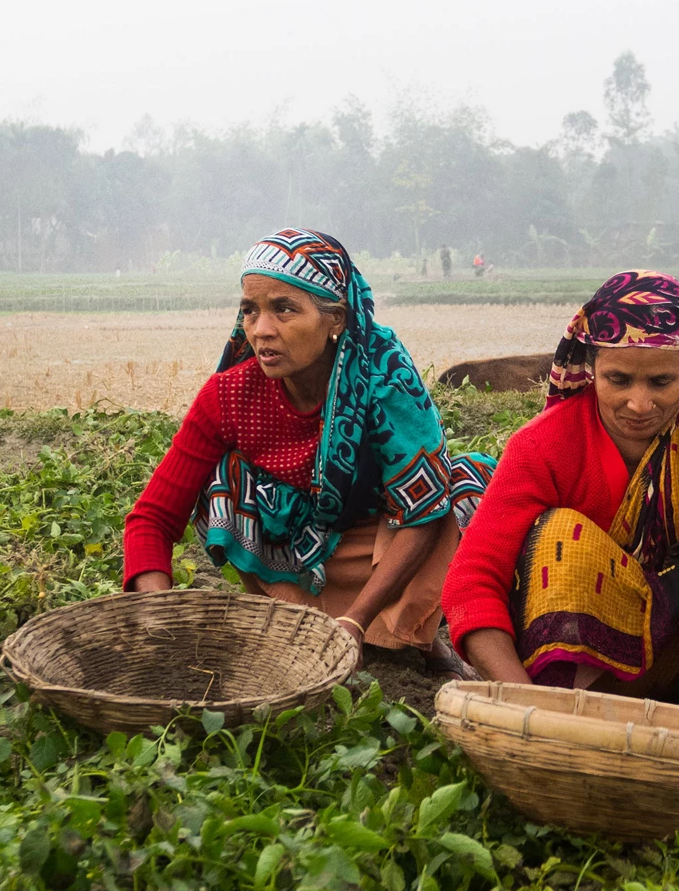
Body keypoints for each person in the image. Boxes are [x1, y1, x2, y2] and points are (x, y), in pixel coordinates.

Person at [441, 271, 679, 717]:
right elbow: (472, 581)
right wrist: (527, 706)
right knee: (562, 536)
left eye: (661, 382)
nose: (639, 404)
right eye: (618, 380)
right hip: (573, 675)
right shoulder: (544, 446)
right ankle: (581, 715)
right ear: (591, 369)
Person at [123, 228, 491, 669]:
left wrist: (356, 619)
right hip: (298, 557)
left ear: (334, 319)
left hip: (383, 546)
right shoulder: (229, 396)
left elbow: (421, 511)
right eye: (250, 311)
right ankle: (298, 622)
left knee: (458, 488)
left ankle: (406, 634)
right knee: (224, 478)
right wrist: (159, 617)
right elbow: (153, 518)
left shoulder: (384, 377)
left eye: (284, 309)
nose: (261, 330)